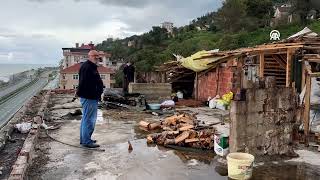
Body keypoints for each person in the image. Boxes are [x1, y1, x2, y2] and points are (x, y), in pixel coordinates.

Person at [76, 50, 104, 148]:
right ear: (91, 56)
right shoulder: (87, 67)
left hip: (90, 97)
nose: (97, 58)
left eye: (98, 57)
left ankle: (85, 139)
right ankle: (87, 141)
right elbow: (85, 84)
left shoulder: (90, 66)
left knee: (86, 119)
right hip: (89, 97)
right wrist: (95, 93)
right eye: (96, 57)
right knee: (89, 120)